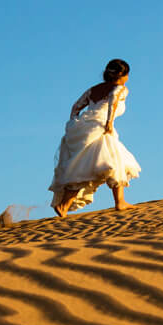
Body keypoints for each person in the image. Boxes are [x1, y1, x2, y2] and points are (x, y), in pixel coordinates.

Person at [49, 59, 140, 215]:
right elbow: (113, 101)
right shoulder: (120, 88)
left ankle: (65, 205)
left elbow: (76, 106)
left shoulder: (93, 89)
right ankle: (119, 203)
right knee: (111, 162)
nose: (128, 78)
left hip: (84, 127)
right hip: (101, 128)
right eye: (127, 74)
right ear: (121, 75)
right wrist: (109, 123)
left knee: (88, 166)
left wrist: (73, 124)